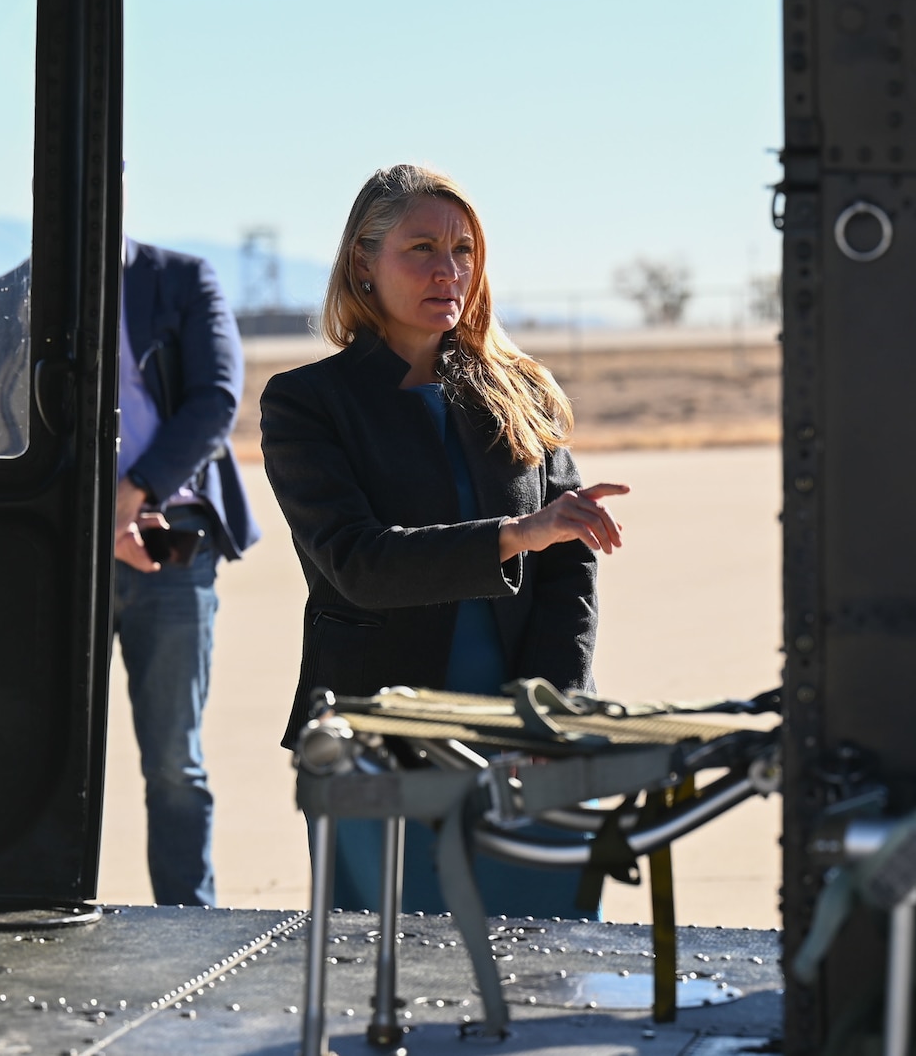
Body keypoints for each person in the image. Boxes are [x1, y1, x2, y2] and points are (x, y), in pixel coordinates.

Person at [260, 163, 627, 914]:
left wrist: (551, 712)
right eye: (421, 247)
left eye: (463, 249)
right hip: (377, 745)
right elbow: (359, 563)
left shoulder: (518, 392)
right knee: (389, 979)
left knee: (536, 971)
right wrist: (517, 532)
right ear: (363, 261)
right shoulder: (306, 403)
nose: (448, 269)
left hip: (519, 743)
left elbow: (569, 574)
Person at [112, 237, 262, 907]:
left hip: (169, 541)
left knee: (174, 760)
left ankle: (187, 926)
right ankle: (24, 911)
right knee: (29, 745)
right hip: (54, 546)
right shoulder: (10, 296)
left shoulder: (180, 278)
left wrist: (131, 494)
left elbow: (217, 399)